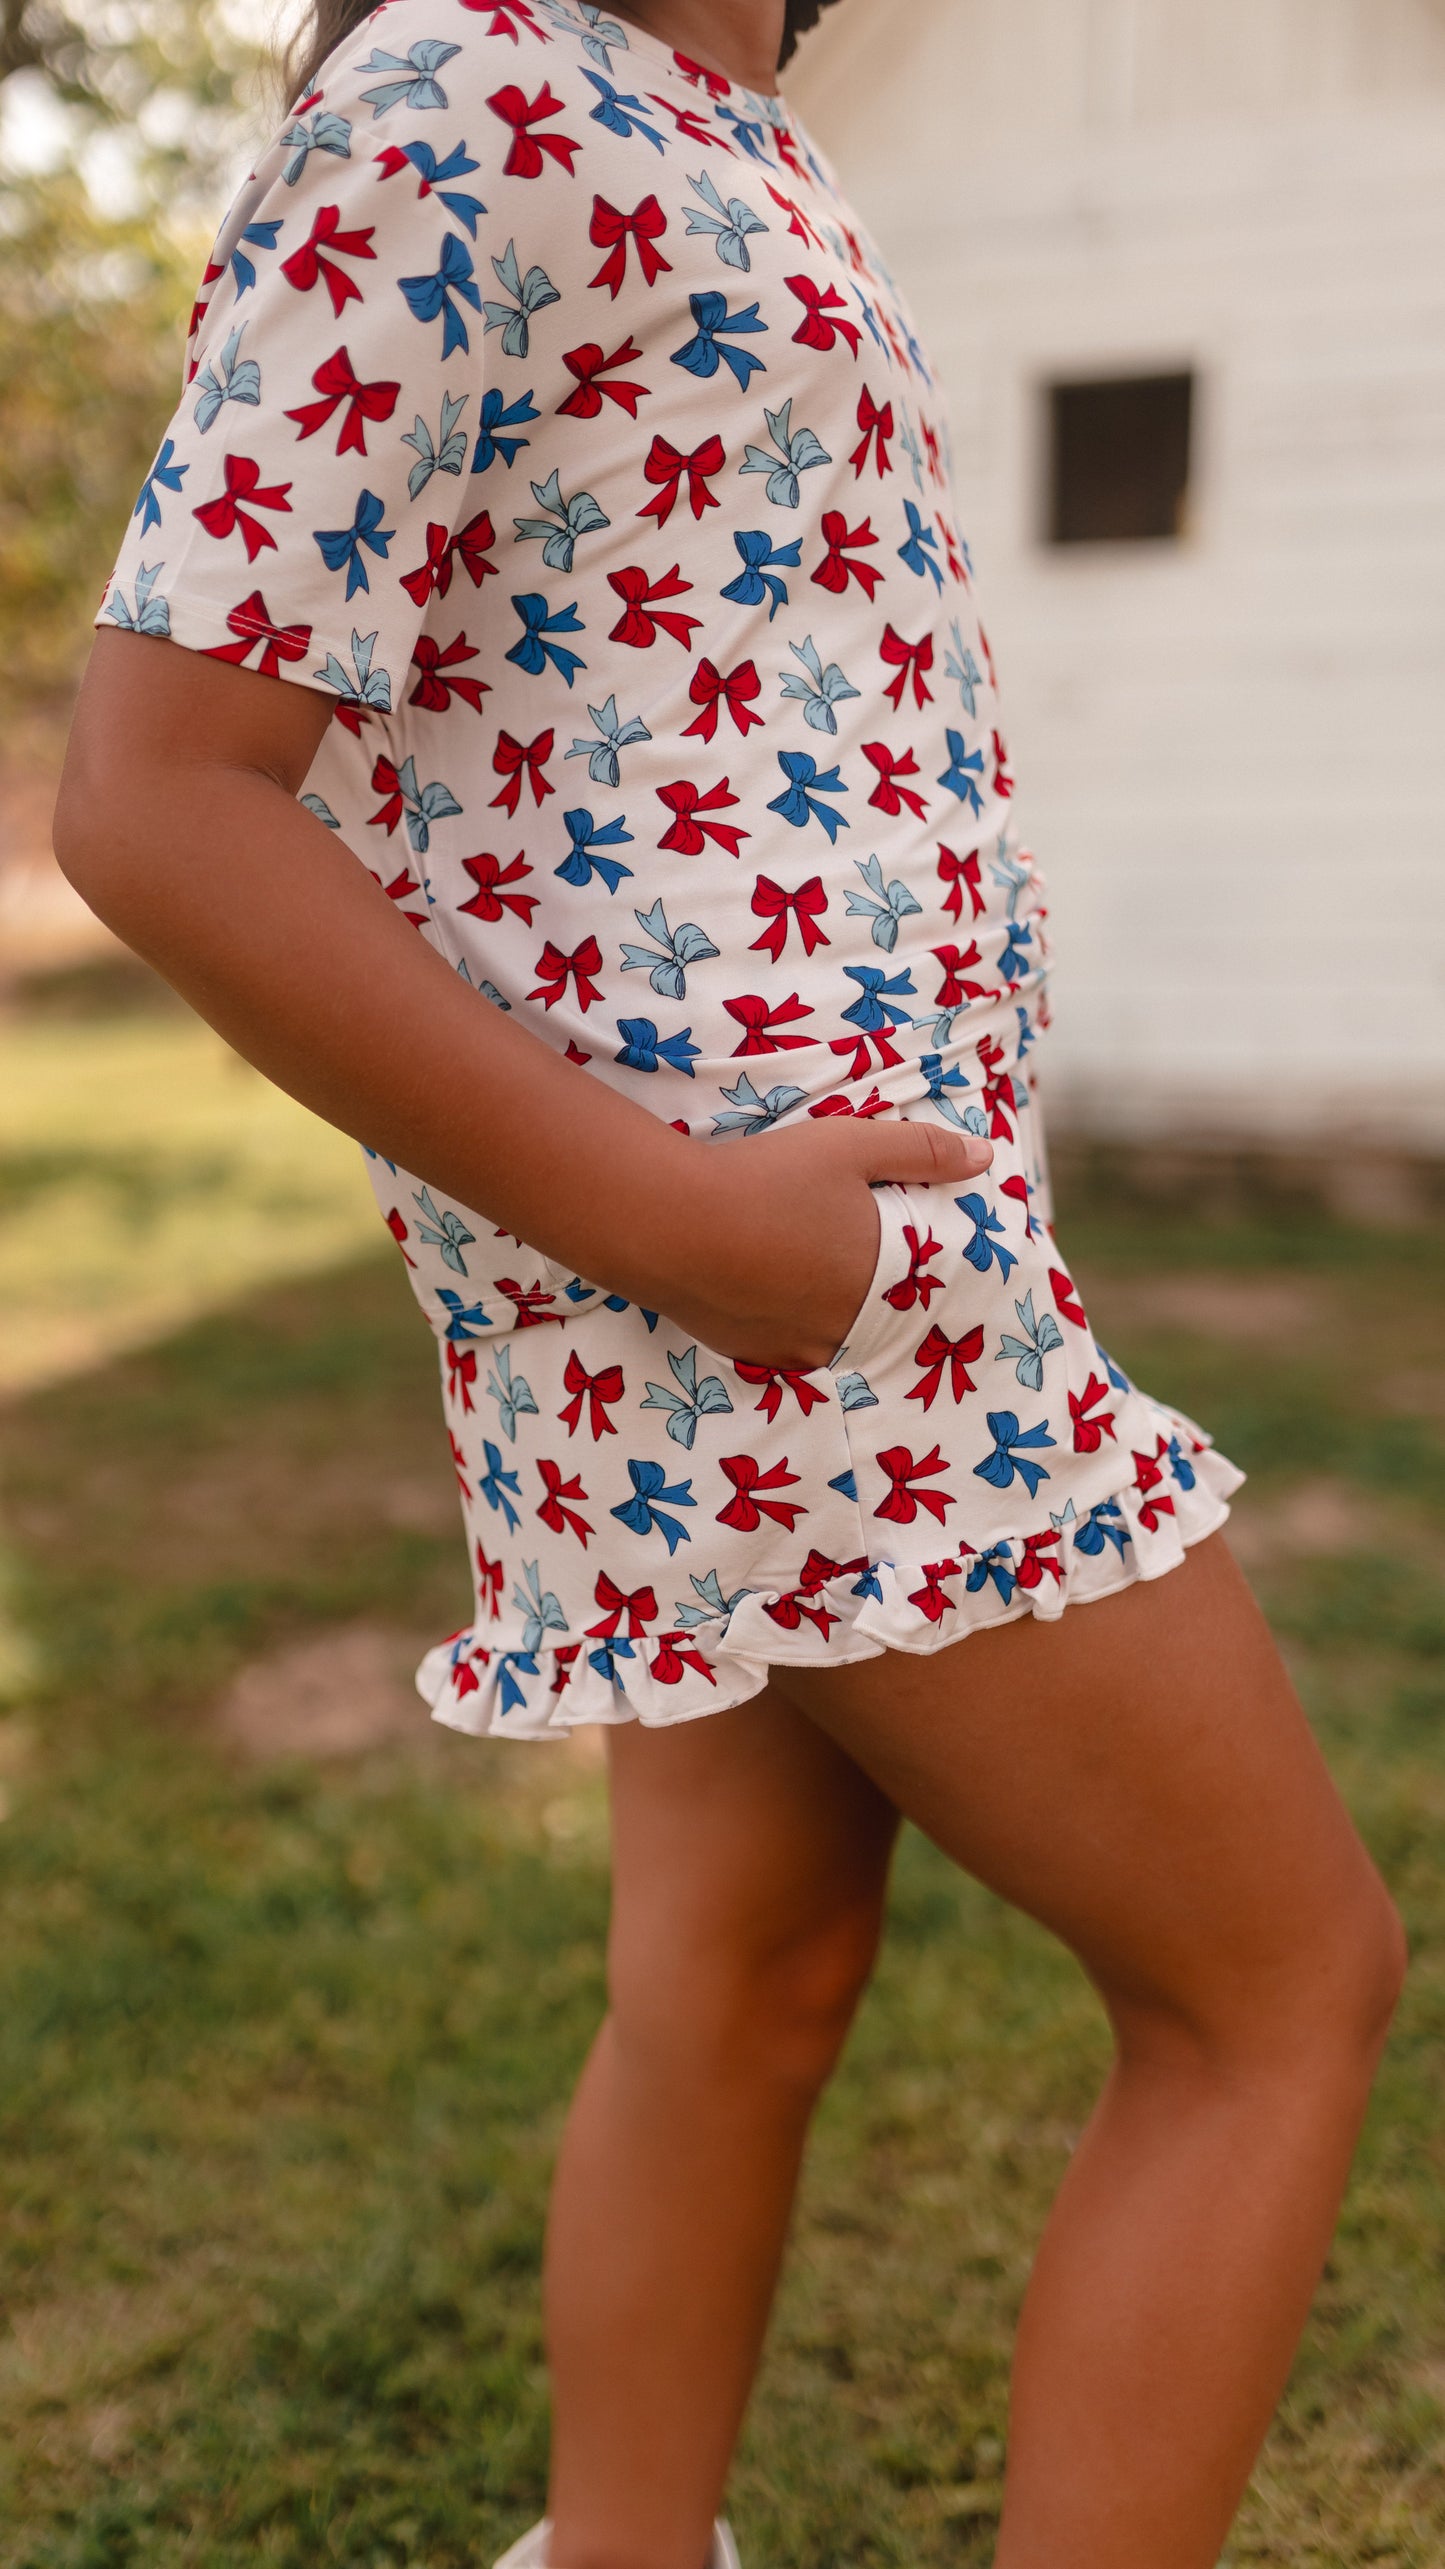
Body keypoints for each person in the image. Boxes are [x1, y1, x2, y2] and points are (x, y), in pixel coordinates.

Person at [54, 0, 1406, 2562]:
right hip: (775, 1303)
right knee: (1279, 1983)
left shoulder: (717, 121)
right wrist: (703, 1231)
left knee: (744, 1974)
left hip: (788, 1278)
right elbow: (151, 795)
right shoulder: (468, 94)